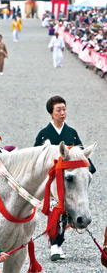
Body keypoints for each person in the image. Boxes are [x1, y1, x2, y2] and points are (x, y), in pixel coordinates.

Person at [34, 96, 95, 261]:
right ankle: (55, 245)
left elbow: (81, 154)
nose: (62, 113)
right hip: (53, 180)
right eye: (58, 110)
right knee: (56, 212)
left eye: (64, 109)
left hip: (70, 180)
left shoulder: (72, 133)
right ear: (51, 114)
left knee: (68, 213)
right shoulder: (44, 134)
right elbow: (37, 158)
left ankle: (58, 244)